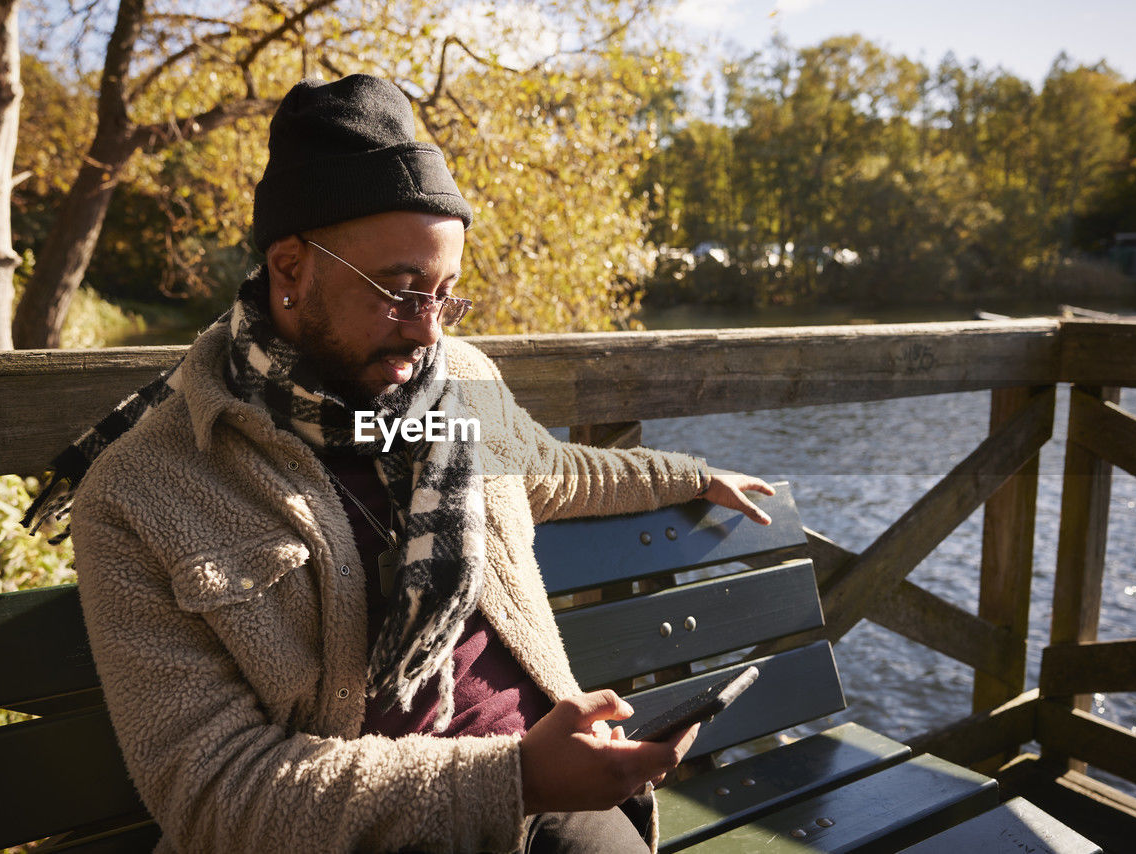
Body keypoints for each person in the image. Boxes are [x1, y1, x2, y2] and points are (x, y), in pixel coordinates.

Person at [47, 74, 774, 853]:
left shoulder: (459, 385)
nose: (428, 332)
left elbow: (556, 470)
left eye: (445, 295)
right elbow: (216, 794)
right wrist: (516, 778)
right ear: (290, 269)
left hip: (549, 806)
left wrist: (692, 478)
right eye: (399, 292)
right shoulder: (141, 492)